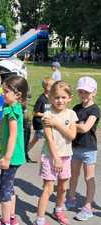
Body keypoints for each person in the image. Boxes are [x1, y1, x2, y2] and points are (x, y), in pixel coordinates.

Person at [33, 81, 78, 225]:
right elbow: (49, 139)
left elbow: (72, 135)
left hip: (66, 156)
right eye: (57, 97)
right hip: (50, 156)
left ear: (70, 98)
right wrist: (56, 158)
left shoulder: (71, 114)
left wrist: (57, 124)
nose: (60, 100)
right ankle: (39, 219)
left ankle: (58, 210)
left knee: (63, 187)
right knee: (48, 188)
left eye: (64, 97)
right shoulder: (47, 115)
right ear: (51, 97)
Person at [0, 75, 29, 225]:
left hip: (12, 157)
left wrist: (7, 158)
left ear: (17, 95)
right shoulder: (12, 107)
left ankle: (5, 221)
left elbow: (13, 136)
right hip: (12, 155)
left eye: (6, 91)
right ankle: (11, 217)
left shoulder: (12, 111)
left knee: (5, 191)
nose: (2, 94)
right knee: (9, 187)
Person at [66, 76, 100, 221]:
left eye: (87, 92)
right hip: (75, 147)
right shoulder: (76, 108)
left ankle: (88, 206)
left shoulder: (95, 110)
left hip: (89, 149)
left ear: (94, 92)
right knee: (73, 175)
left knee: (88, 178)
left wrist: (75, 125)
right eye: (81, 92)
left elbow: (85, 128)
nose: (83, 95)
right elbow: (69, 124)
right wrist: (76, 125)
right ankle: (71, 198)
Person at [28, 78, 55, 159]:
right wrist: (45, 114)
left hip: (45, 122)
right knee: (51, 138)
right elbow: (35, 112)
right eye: (52, 86)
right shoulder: (41, 99)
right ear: (47, 87)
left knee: (34, 140)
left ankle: (24, 153)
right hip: (39, 123)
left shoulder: (50, 98)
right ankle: (51, 155)